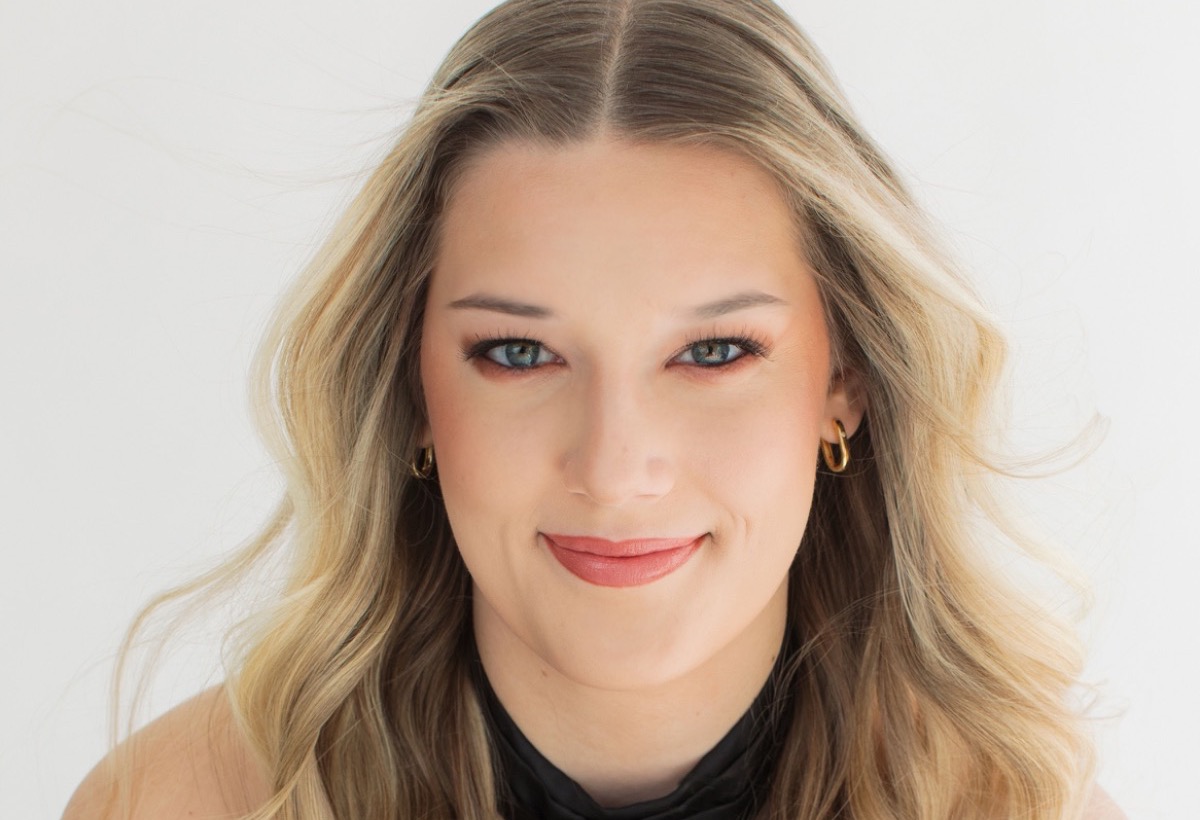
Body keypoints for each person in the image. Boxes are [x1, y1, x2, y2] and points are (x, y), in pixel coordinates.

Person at [64, 1, 1126, 818]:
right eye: (519, 353)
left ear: (844, 382)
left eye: (714, 352)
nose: (616, 470)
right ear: (411, 389)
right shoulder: (180, 802)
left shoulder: (1023, 805)